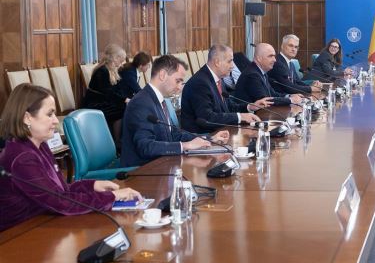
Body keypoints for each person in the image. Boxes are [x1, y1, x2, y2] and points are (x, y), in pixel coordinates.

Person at [0, 84, 141, 232]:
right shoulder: (22, 157)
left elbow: (61, 190)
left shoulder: (39, 146)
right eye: (50, 114)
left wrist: (93, 185)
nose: (56, 120)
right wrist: (112, 197)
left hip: (42, 223)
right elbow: (61, 201)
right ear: (27, 118)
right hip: (18, 235)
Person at [120, 55, 230, 167]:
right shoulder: (141, 103)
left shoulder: (158, 100)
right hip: (142, 171)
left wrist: (209, 139)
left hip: (162, 164)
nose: (180, 87)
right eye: (178, 81)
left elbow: (174, 135)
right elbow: (146, 147)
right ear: (162, 75)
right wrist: (185, 146)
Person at [180, 44, 262, 133]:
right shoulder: (200, 83)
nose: (233, 66)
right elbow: (207, 118)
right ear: (217, 62)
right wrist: (240, 117)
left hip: (220, 132)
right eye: (229, 61)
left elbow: (229, 107)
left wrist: (249, 107)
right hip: (203, 136)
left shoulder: (218, 79)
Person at [235, 43, 305, 106]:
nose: (274, 60)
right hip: (251, 115)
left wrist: (289, 96)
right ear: (259, 58)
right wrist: (291, 100)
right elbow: (265, 101)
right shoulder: (252, 75)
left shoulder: (261, 72)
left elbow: (272, 94)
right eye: (270, 56)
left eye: (274, 56)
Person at [82, 44, 128, 129]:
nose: (121, 64)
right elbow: (108, 93)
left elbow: (118, 89)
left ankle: (120, 136)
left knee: (125, 106)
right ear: (115, 58)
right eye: (121, 61)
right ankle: (116, 137)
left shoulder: (112, 70)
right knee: (121, 110)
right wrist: (124, 100)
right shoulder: (102, 71)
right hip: (95, 104)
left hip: (104, 101)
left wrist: (125, 99)